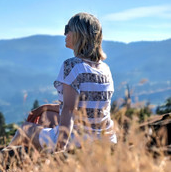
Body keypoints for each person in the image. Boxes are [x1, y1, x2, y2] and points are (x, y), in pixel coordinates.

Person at [8, 12, 117, 153]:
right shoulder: (105, 69)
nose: (65, 34)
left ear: (78, 34)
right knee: (46, 116)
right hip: (106, 139)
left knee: (24, 129)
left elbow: (69, 109)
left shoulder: (72, 66)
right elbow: (87, 109)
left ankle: (4, 164)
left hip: (78, 141)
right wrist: (45, 107)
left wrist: (60, 148)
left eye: (67, 29)